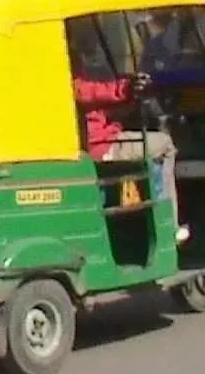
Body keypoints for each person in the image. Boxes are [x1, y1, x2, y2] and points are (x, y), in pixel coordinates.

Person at [70, 28, 187, 243]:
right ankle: (169, 223)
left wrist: (129, 94)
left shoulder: (73, 79)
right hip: (101, 147)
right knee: (165, 144)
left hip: (102, 139)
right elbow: (96, 92)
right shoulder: (73, 82)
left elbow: (105, 103)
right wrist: (127, 87)